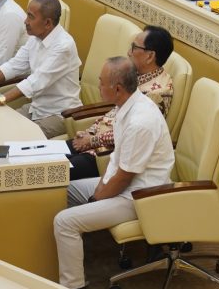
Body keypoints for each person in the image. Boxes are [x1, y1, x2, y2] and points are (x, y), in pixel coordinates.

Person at [53, 56, 174, 289]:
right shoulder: (126, 107)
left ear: (117, 88)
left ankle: (74, 286)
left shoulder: (140, 122)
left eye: (101, 82)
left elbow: (124, 178)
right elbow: (116, 163)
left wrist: (96, 198)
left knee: (64, 222)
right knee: (60, 190)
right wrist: (99, 188)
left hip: (140, 197)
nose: (97, 86)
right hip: (124, 185)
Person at [0, 0, 81, 137]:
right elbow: (13, 66)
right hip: (35, 108)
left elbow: (34, 82)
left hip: (59, 114)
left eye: (31, 17)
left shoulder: (64, 46)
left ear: (47, 23)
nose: (25, 21)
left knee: (12, 136)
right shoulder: (36, 37)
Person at [67, 27, 174, 180]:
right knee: (47, 157)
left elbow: (130, 133)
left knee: (55, 172)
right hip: (95, 141)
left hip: (107, 154)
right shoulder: (137, 76)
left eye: (134, 47)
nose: (129, 52)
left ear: (150, 56)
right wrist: (90, 132)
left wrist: (92, 140)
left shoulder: (157, 93)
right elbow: (113, 113)